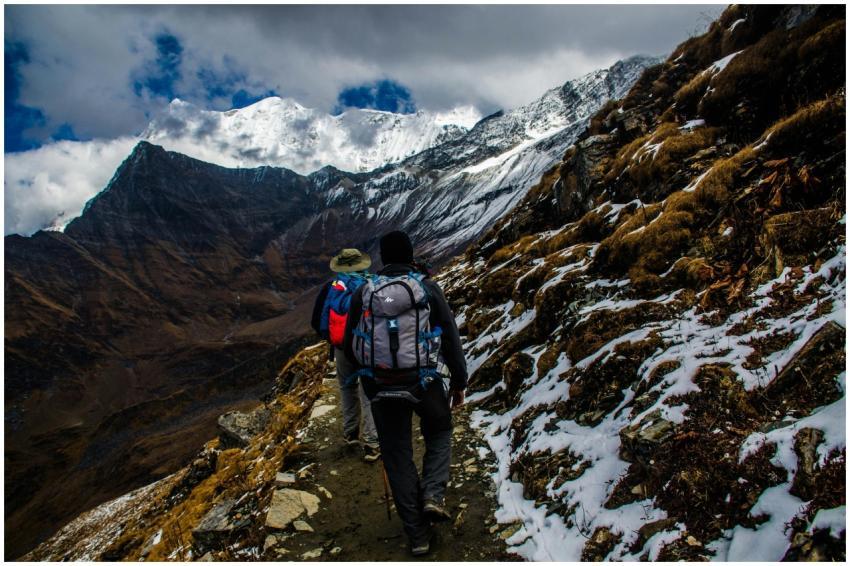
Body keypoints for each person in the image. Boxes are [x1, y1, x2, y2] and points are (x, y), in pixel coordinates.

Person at [343, 231, 468, 556]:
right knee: (439, 431)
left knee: (397, 456)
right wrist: (458, 380)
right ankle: (432, 495)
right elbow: (450, 335)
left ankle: (418, 537)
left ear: (383, 259)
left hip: (381, 386)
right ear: (411, 254)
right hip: (424, 382)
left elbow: (350, 344)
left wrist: (369, 382)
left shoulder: (364, 292)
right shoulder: (426, 289)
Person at [310, 248, 381, 462]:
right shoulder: (374, 285)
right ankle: (372, 442)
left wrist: (333, 339)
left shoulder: (332, 288)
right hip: (367, 347)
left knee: (346, 386)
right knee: (368, 390)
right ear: (363, 265)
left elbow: (316, 320)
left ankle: (351, 433)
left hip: (341, 348)